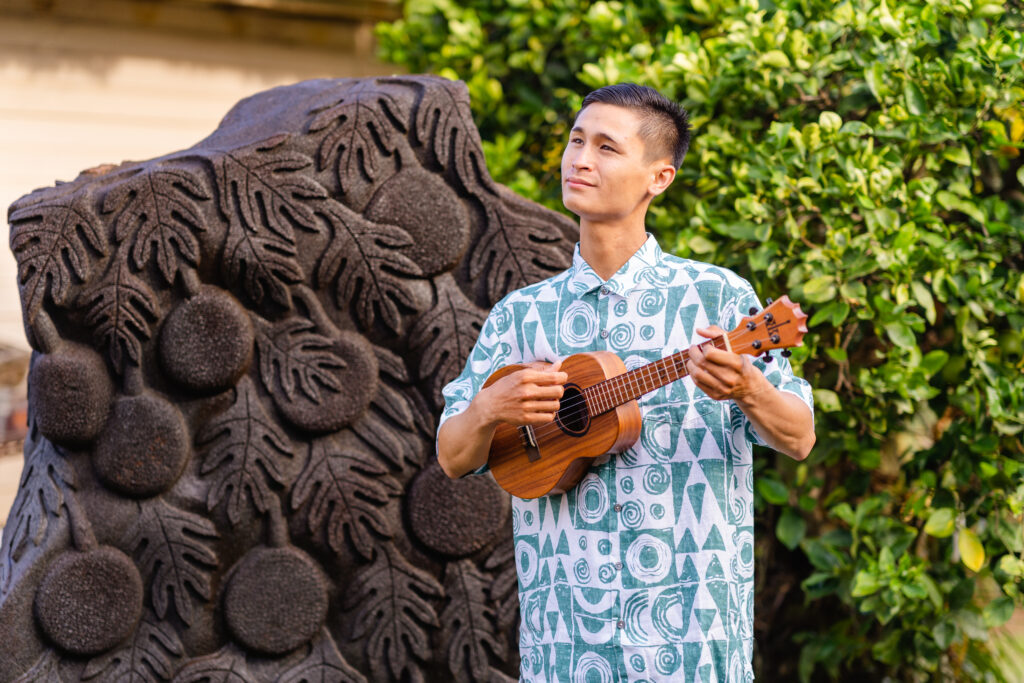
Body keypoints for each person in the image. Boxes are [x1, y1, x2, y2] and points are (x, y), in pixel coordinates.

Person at [436, 84, 815, 683]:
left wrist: (748, 388)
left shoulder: (717, 297)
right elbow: (454, 457)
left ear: (658, 178)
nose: (580, 159)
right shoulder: (521, 315)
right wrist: (487, 409)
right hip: (565, 638)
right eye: (576, 140)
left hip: (691, 636)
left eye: (606, 147)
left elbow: (798, 437)